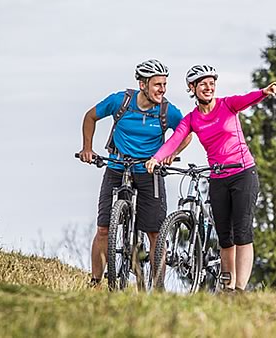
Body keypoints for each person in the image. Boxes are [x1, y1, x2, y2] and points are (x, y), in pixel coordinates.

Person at [145, 64, 276, 291]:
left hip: (243, 173)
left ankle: (239, 289)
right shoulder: (192, 119)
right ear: (192, 88)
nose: (209, 88)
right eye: (203, 84)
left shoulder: (228, 105)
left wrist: (263, 93)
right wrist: (156, 158)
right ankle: (228, 287)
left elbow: (247, 99)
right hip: (217, 177)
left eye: (212, 84)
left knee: (242, 231)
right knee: (225, 236)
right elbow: (175, 139)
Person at [78, 59, 192, 286]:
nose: (162, 89)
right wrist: (87, 148)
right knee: (103, 228)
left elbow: (185, 133)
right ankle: (95, 283)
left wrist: (169, 152)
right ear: (143, 85)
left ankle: (157, 288)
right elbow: (90, 117)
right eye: (157, 84)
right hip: (117, 167)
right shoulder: (120, 101)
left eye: (165, 84)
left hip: (150, 171)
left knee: (155, 234)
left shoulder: (167, 111)